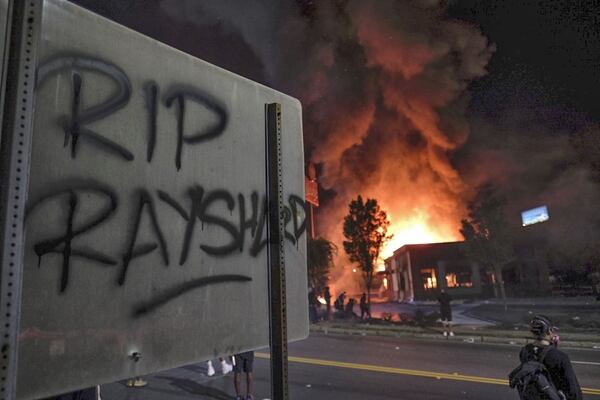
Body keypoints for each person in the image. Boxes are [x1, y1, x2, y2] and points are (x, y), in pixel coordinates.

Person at [516, 315, 582, 400]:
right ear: (549, 331)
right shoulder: (560, 357)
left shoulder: (524, 352)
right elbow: (573, 391)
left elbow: (538, 356)